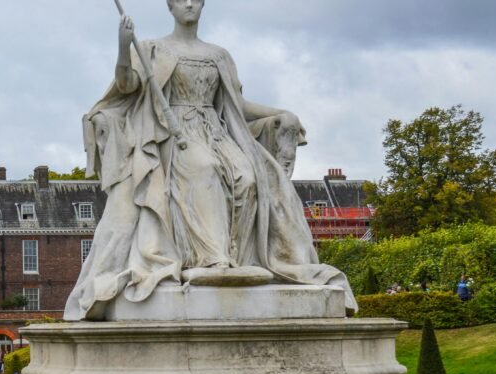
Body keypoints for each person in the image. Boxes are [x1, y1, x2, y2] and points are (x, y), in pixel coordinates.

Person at [64, 0, 357, 321]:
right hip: (170, 135)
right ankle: (210, 259)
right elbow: (127, 86)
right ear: (170, 6)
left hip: (216, 131)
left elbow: (237, 105)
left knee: (247, 175)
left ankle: (239, 257)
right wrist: (123, 48)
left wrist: (282, 114)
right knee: (206, 169)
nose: (189, 4)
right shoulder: (151, 49)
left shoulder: (219, 55)